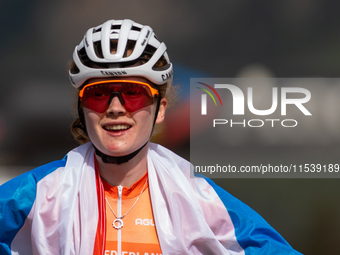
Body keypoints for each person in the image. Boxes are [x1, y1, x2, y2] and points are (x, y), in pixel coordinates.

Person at [0, 19, 302, 255]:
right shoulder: (36, 195)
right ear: (82, 108)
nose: (115, 108)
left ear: (160, 110)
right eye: (98, 95)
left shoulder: (200, 200)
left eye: (133, 94)